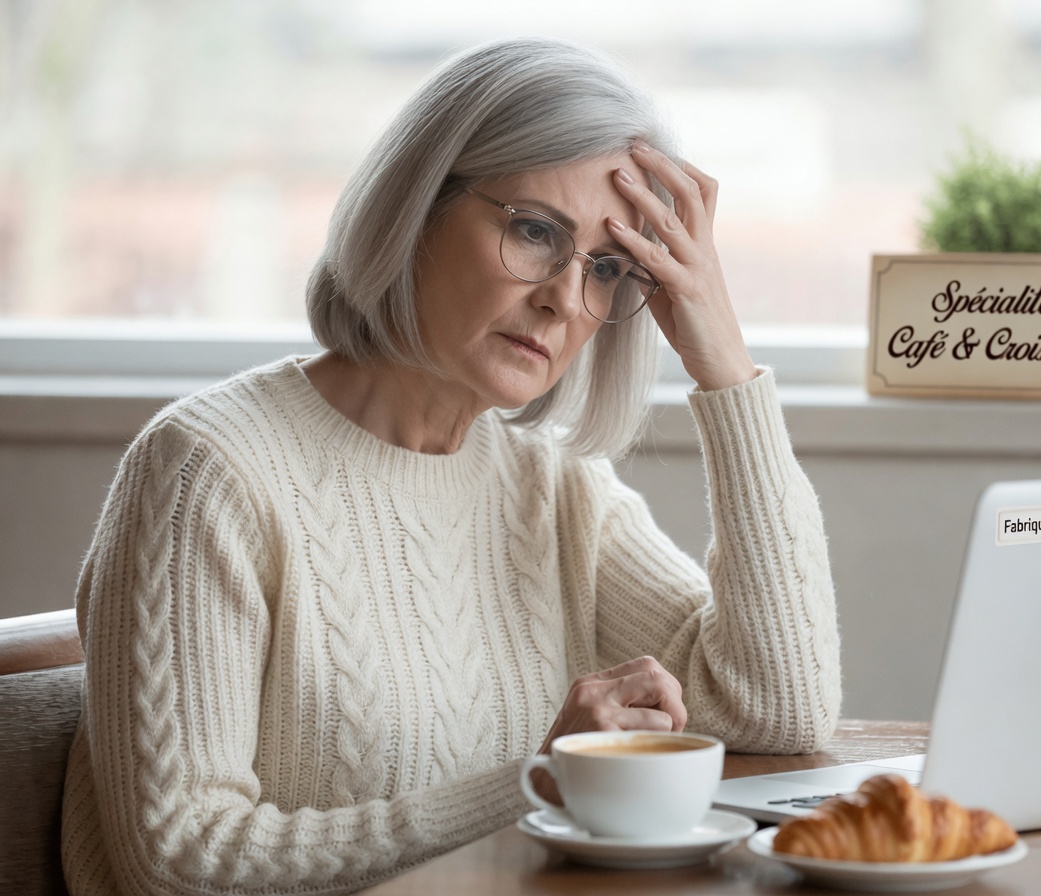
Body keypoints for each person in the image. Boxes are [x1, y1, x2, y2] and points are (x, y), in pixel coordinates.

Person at [61, 37, 842, 896]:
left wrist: (723, 364)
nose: (560, 297)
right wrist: (537, 788)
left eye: (608, 268)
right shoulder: (206, 473)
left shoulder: (554, 490)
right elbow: (176, 862)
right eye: (536, 231)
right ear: (417, 205)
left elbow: (780, 708)